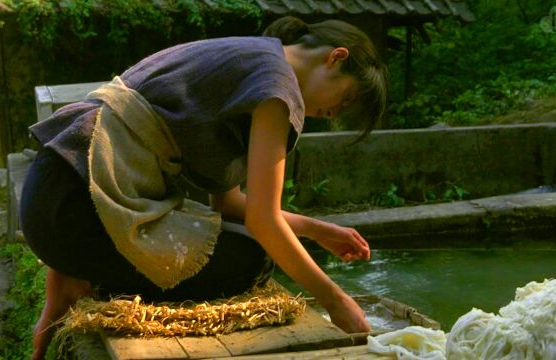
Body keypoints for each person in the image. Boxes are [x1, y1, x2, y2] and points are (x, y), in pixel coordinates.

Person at [20, 16, 388, 359]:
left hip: (54, 192)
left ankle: (73, 273)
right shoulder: (278, 87)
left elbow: (229, 203)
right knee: (253, 259)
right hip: (74, 211)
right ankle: (84, 280)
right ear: (336, 58)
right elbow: (263, 220)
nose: (336, 111)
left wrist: (316, 229)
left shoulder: (253, 55)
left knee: (230, 235)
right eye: (347, 98)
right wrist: (336, 301)